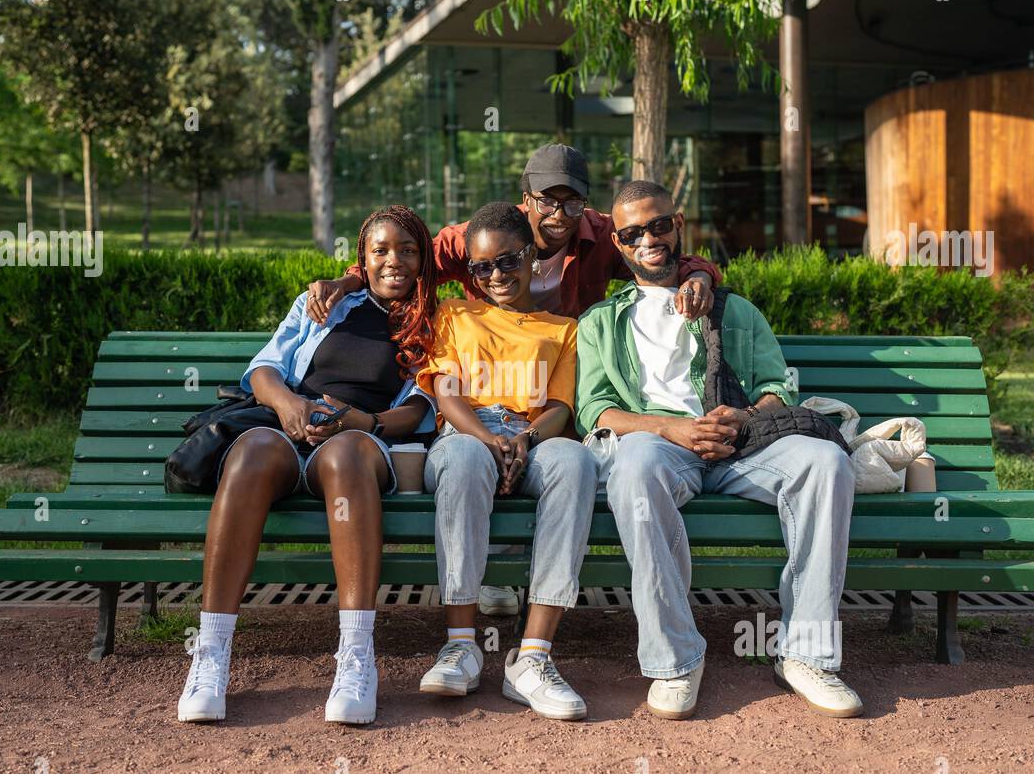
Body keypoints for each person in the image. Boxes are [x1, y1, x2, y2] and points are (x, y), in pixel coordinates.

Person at [307, 144, 722, 616]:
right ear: (526, 200)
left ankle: (534, 627)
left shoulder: (602, 233)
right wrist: (346, 283)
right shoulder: (477, 237)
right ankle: (481, 594)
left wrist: (701, 277)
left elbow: (656, 253)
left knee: (562, 457)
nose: (560, 214)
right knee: (474, 451)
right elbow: (400, 260)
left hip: (555, 374)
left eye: (573, 202)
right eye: (548, 200)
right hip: (484, 390)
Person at [574, 180, 864, 721]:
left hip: (744, 445)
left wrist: (749, 414)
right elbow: (596, 410)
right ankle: (677, 659)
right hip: (663, 448)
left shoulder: (736, 310)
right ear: (618, 244)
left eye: (658, 225)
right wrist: (671, 430)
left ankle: (806, 654)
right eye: (632, 232)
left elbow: (780, 387)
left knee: (826, 462)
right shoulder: (601, 322)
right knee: (632, 467)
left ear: (678, 225)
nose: (648, 239)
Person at [176, 205, 439, 727]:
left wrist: (361, 421)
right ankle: (211, 654)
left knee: (343, 455)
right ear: (362, 258)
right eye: (381, 250)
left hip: (363, 441)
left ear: (423, 257)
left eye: (407, 250)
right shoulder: (324, 305)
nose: (395, 261)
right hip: (290, 427)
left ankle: (357, 655)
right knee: (251, 452)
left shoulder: (435, 318)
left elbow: (422, 407)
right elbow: (264, 369)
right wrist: (290, 408)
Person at [415, 201, 596, 721]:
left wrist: (526, 439)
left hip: (531, 439)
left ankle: (533, 657)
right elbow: (447, 395)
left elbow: (561, 407)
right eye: (481, 266)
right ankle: (461, 644)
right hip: (466, 435)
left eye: (508, 261)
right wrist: (488, 438)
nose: (495, 274)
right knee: (469, 458)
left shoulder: (563, 330)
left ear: (532, 257)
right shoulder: (454, 313)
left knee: (576, 464)